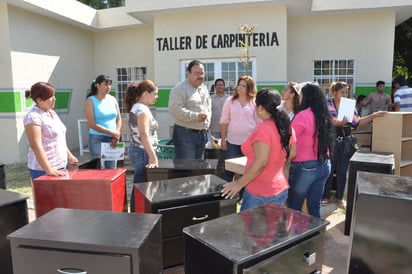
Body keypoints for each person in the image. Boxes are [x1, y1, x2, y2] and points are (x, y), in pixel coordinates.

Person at [221, 88, 296, 211]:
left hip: (259, 190)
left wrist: (238, 184)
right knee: (272, 229)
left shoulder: (264, 129)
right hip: (279, 187)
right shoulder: (286, 126)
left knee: (251, 230)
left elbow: (261, 162)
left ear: (260, 108)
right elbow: (292, 153)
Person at [322, 81, 384, 209]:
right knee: (329, 170)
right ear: (334, 93)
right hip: (331, 141)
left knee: (342, 171)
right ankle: (326, 196)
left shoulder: (349, 105)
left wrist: (373, 116)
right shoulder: (327, 104)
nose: (345, 94)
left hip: (345, 142)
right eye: (342, 92)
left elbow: (357, 122)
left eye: (346, 92)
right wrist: (337, 124)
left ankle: (340, 198)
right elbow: (323, 123)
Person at [287, 83, 334, 218]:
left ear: (306, 97)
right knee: (315, 205)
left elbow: (289, 137)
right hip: (324, 165)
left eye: (300, 95)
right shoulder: (325, 115)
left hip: (306, 167)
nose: (299, 98)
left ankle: (297, 238)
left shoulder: (303, 115)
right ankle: (317, 236)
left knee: (294, 207)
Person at [23, 82, 78, 180]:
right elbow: (36, 146)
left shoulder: (51, 113)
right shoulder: (33, 117)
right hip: (43, 170)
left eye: (54, 95)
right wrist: (49, 170)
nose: (54, 99)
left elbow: (58, 138)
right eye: (50, 97)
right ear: (39, 100)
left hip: (60, 165)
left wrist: (69, 155)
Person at [124, 80, 159, 212]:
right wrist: (153, 157)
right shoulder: (142, 110)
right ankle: (137, 212)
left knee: (140, 185)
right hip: (142, 152)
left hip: (139, 150)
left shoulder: (138, 107)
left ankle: (137, 211)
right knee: (141, 186)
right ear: (146, 93)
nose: (157, 97)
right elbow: (144, 135)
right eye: (155, 94)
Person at [220, 75, 260, 182]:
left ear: (249, 88)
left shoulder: (254, 102)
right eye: (239, 85)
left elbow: (258, 123)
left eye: (244, 86)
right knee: (228, 171)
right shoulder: (230, 101)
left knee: (247, 171)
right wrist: (223, 140)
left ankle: (243, 197)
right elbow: (224, 121)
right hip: (232, 142)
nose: (240, 87)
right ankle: (226, 196)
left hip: (250, 143)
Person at [168, 60, 211, 159]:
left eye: (202, 73)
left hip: (202, 135)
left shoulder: (204, 88)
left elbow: (208, 107)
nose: (200, 76)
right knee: (187, 170)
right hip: (185, 135)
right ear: (188, 74)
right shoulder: (179, 89)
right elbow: (174, 109)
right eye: (196, 73)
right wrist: (195, 117)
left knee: (198, 169)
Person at [84, 75, 122, 169]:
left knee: (112, 168)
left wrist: (116, 134)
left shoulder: (112, 99)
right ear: (98, 85)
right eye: (105, 84)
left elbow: (119, 119)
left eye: (109, 84)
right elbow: (92, 124)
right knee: (99, 169)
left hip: (113, 138)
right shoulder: (91, 100)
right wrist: (112, 132)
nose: (108, 87)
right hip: (97, 139)